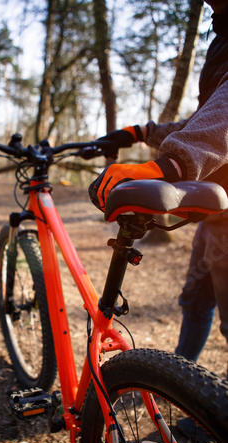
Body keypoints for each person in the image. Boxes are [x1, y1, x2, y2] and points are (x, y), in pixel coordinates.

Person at [88, 0, 228, 363]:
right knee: (194, 304)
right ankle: (185, 385)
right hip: (215, 217)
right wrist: (138, 132)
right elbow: (206, 119)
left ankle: (211, 417)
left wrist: (167, 166)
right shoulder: (221, 34)